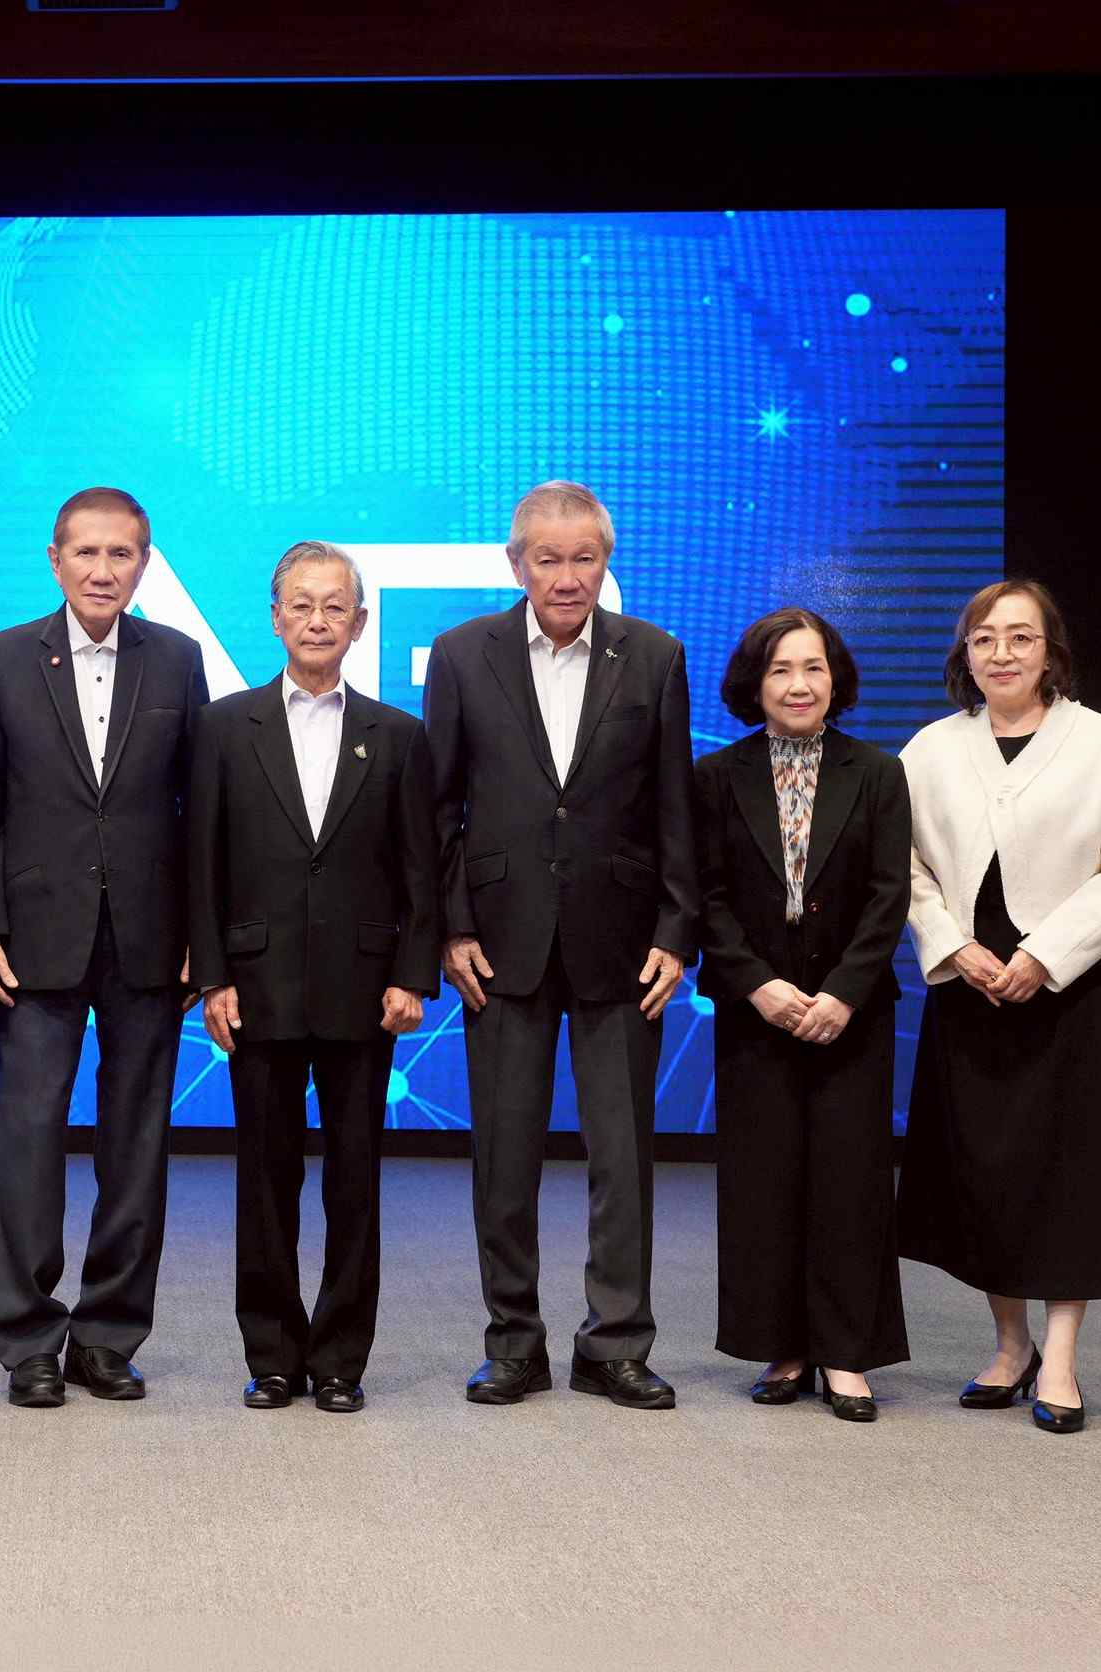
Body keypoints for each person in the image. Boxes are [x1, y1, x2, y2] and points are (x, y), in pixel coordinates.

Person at [425, 480, 700, 1410]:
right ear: (518, 564)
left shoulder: (654, 655)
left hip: (624, 946)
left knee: (623, 1161)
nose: (568, 576)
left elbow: (673, 808)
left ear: (605, 561)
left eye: (585, 558)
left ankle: (614, 1343)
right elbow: (440, 809)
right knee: (504, 1160)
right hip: (499, 944)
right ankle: (513, 1342)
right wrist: (452, 925)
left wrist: (675, 931)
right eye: (549, 559)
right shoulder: (463, 655)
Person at [0, 486, 210, 1408]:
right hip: (34, 940)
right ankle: (28, 1341)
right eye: (87, 552)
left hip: (151, 940)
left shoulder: (177, 659)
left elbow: (199, 813)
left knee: (136, 1145)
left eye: (122, 553)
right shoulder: (3, 657)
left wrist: (202, 937)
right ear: (55, 559)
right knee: (29, 1140)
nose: (103, 570)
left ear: (143, 563)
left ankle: (109, 1335)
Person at [896, 580, 1101, 1434]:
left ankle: (1063, 1360)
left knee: (1067, 1175)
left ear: (1051, 651)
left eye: (1020, 637)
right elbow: (902, 868)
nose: (1001, 653)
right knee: (983, 1176)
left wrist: (1045, 956)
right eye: (984, 639)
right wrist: (952, 945)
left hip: (1069, 991)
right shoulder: (931, 749)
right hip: (971, 987)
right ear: (964, 655)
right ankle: (1011, 1346)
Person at [189, 542, 437, 1414]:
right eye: (302, 605)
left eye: (335, 607)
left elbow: (420, 869)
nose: (318, 621)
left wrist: (412, 975)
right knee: (264, 1181)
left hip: (365, 990)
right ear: (275, 618)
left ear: (360, 623)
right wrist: (211, 977)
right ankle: (271, 1355)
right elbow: (202, 863)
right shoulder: (225, 726)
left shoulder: (398, 735)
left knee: (353, 1182)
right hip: (255, 986)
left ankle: (339, 1360)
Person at [693, 608, 910, 1423]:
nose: (798, 684)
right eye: (781, 669)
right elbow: (706, 896)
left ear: (835, 678)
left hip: (851, 1012)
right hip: (758, 1012)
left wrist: (844, 992)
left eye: (813, 667)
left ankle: (846, 1353)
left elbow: (890, 895)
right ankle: (782, 1345)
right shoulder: (716, 776)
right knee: (766, 1181)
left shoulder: (877, 773)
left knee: (851, 1181)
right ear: (755, 684)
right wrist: (757, 985)